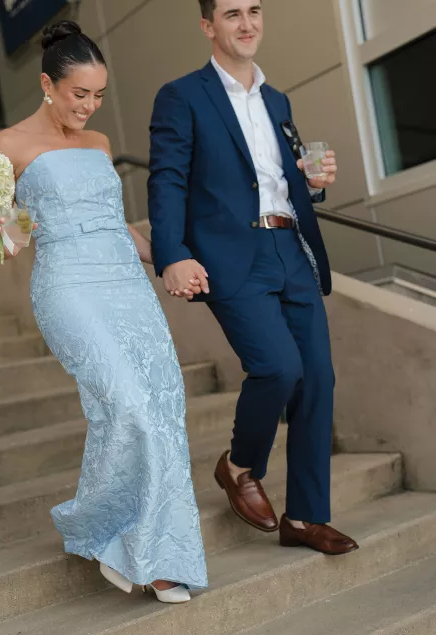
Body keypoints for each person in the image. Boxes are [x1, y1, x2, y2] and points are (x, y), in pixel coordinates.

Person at [0, 20, 208, 602]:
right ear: (47, 85)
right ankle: (103, 530)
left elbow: (117, 224)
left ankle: (158, 555)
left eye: (99, 95)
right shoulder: (7, 146)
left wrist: (170, 258)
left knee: (163, 407)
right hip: (69, 286)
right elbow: (0, 246)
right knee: (128, 405)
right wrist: (9, 220)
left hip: (127, 285)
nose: (89, 106)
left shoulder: (100, 144)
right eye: (79, 94)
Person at [148, 0, 358, 555]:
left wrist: (312, 184)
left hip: (291, 246)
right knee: (278, 367)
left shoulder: (277, 99)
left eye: (254, 11)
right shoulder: (182, 96)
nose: (247, 24)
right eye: (232, 14)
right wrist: (171, 254)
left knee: (317, 379)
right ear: (208, 26)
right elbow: (167, 180)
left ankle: (305, 518)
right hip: (230, 254)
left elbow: (279, 179)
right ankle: (240, 465)